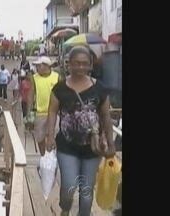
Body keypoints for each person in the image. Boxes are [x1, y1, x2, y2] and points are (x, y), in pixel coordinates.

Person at [44, 45, 115, 216]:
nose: (80, 67)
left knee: (86, 194)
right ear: (69, 64)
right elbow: (52, 112)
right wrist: (50, 136)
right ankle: (65, 208)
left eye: (84, 64)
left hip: (93, 148)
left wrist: (111, 143)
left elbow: (106, 117)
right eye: (76, 63)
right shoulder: (59, 88)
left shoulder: (100, 88)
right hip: (67, 146)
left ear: (91, 65)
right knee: (68, 186)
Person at [27, 56, 60, 154]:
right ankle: (43, 156)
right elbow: (31, 94)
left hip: (55, 113)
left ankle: (52, 157)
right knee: (40, 138)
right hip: (40, 113)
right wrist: (29, 113)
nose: (37, 68)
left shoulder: (56, 77)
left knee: (53, 136)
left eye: (39, 66)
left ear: (46, 66)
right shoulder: (34, 78)